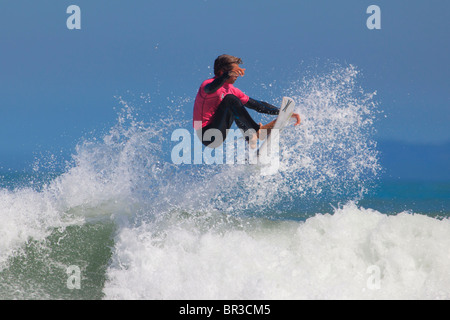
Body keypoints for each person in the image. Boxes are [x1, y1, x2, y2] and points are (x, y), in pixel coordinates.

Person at [193, 54, 301, 148]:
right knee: (230, 99)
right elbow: (210, 88)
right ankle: (256, 132)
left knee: (233, 102)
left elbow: (256, 105)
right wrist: (227, 76)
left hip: (219, 131)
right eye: (235, 72)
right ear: (223, 73)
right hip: (206, 134)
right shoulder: (207, 85)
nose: (237, 76)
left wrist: (283, 112)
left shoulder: (231, 90)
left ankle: (251, 136)